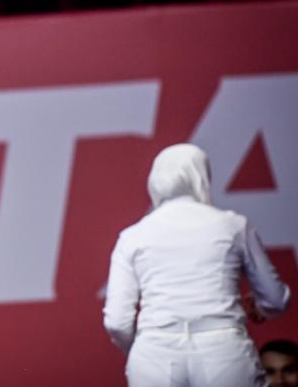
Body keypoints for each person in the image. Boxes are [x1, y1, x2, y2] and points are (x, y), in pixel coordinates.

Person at [103, 143, 290, 387]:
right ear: (202, 177)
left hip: (154, 353)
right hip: (223, 350)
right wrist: (261, 308)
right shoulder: (233, 226)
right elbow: (276, 299)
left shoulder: (132, 236)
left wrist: (143, 350)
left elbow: (116, 322)